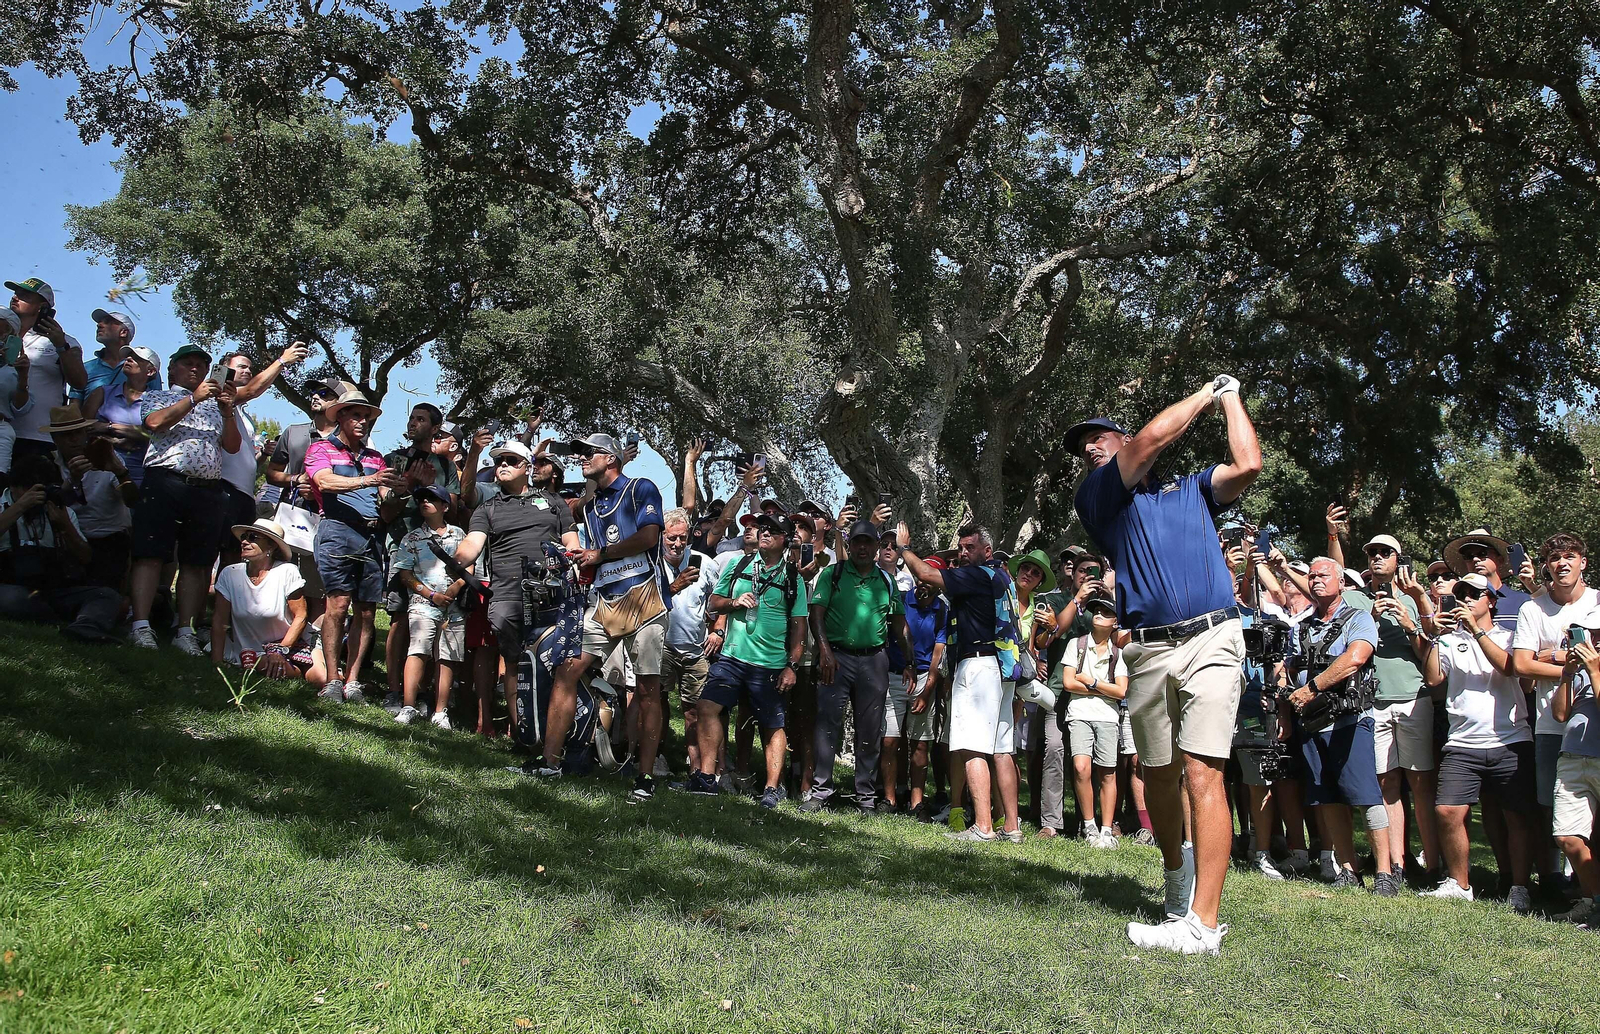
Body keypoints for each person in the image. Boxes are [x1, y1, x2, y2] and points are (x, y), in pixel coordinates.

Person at [1067, 374, 1260, 955]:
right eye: (1086, 449)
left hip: (1213, 638)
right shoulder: (1099, 496)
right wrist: (1205, 391)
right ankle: (1176, 873)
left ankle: (1202, 922)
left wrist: (1230, 397)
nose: (1094, 450)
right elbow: (1150, 439)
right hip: (1148, 648)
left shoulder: (1193, 489)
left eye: (1101, 440)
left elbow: (1247, 464)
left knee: (1204, 772)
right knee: (1159, 774)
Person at [899, 524, 1024, 844]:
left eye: (970, 547)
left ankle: (983, 826)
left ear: (987, 550)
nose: (963, 553)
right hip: (1001, 669)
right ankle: (1012, 827)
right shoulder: (1002, 577)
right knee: (1001, 749)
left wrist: (903, 549)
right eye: (961, 548)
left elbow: (927, 574)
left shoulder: (979, 575)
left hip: (978, 666)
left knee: (971, 746)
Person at [1415, 573, 1534, 910]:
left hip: (1510, 740)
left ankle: (1520, 886)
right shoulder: (1451, 639)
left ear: (1491, 601)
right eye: (1461, 593)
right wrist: (1435, 636)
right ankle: (1459, 883)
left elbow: (1510, 669)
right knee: (1448, 811)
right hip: (1463, 743)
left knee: (1516, 817)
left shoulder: (1510, 637)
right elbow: (1434, 678)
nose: (1465, 599)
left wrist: (1477, 631)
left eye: (1474, 594)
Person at [454, 439, 582, 747]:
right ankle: (524, 735)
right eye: (499, 461)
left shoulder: (554, 502)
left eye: (511, 460)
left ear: (527, 467)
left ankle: (554, 738)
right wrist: (458, 561)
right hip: (508, 596)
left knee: (554, 664)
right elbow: (472, 544)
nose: (502, 465)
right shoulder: (488, 508)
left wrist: (574, 566)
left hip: (552, 594)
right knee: (514, 663)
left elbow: (572, 543)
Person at [567, 433, 670, 802]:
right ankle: (551, 758)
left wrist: (600, 554)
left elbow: (647, 538)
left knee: (646, 689)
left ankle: (645, 776)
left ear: (610, 459)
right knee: (570, 669)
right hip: (605, 599)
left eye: (588, 453)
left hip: (646, 598)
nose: (581, 459)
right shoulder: (592, 504)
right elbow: (572, 512)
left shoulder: (641, 487)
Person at [1282, 559, 1395, 894]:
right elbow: (1288, 672)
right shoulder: (1303, 625)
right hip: (1312, 724)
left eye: (1323, 575)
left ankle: (1386, 874)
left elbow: (1356, 657)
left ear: (1341, 582)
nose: (1315, 580)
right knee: (1327, 798)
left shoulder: (1358, 619)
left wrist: (1313, 688)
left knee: (1366, 797)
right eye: (1312, 576)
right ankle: (1348, 870)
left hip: (1349, 721)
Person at [127, 343, 241, 654]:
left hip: (207, 489)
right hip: (165, 481)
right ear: (172, 369)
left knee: (197, 562)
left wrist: (228, 411)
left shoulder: (219, 405)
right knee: (149, 554)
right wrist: (193, 399)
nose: (195, 368)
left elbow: (232, 446)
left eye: (201, 364)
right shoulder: (158, 395)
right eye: (187, 363)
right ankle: (140, 624)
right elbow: (153, 423)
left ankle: (185, 631)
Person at [691, 511, 808, 808]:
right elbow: (714, 602)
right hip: (732, 656)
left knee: (772, 725)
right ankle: (706, 777)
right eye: (762, 529)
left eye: (773, 531)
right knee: (707, 707)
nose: (764, 533)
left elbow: (799, 628)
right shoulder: (738, 563)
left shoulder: (793, 578)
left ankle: (771, 789)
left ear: (785, 540)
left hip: (770, 663)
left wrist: (791, 666)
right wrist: (733, 603)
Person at [1349, 533, 1442, 884]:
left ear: (1398, 559)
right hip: (1375, 701)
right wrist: (1370, 618)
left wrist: (1409, 624)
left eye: (1384, 553)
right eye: (1371, 552)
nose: (1377, 558)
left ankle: (1433, 866)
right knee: (1386, 783)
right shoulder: (1356, 598)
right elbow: (1351, 645)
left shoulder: (1415, 599)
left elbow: (1428, 654)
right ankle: (1397, 864)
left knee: (1421, 784)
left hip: (1412, 697)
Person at [1511, 532, 1600, 899]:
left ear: (1583, 562)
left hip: (1593, 719)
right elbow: (1519, 664)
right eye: (1555, 558)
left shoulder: (1598, 603)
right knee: (1557, 813)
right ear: (1546, 566)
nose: (1562, 563)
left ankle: (1587, 893)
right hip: (1553, 720)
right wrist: (1567, 661)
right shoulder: (1534, 608)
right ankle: (1566, 886)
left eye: (1570, 556)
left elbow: (1534, 660)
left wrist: (1547, 655)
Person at [805, 518, 912, 815]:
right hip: (836, 658)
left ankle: (865, 796)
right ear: (849, 545)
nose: (863, 548)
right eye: (857, 542)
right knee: (827, 724)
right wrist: (824, 652)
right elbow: (816, 615)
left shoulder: (887, 581)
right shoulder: (832, 574)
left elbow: (899, 625)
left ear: (877, 547)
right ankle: (821, 790)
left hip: (874, 660)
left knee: (870, 728)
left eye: (868, 542)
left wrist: (910, 661)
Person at [305, 387, 400, 702]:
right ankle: (333, 680)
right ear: (341, 416)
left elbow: (386, 505)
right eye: (356, 415)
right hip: (337, 529)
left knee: (367, 611)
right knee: (338, 605)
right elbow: (324, 482)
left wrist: (403, 489)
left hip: (372, 535)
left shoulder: (376, 458)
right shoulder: (321, 448)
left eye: (366, 417)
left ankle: (354, 681)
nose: (362, 421)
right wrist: (368, 481)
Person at [379, 402, 460, 710]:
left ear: (435, 428)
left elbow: (453, 507)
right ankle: (393, 689)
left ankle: (423, 691)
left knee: (434, 620)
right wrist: (408, 487)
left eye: (421, 419)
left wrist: (429, 486)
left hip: (438, 555)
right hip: (402, 546)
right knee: (400, 618)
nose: (413, 423)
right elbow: (386, 512)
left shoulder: (445, 466)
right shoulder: (394, 460)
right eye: (411, 418)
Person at [0, 453, 121, 641]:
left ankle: (86, 626)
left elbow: (86, 558)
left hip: (51, 589)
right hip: (10, 586)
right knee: (13, 599)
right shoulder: (2, 507)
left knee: (105, 595)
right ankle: (57, 617)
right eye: (29, 489)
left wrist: (65, 526)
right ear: (14, 486)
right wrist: (20, 507)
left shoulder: (59, 511)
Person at [1055, 592, 1128, 848]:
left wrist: (1093, 681)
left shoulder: (1118, 653)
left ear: (1115, 622)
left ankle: (1106, 829)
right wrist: (1103, 688)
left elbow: (1122, 691)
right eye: (1096, 610)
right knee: (1081, 768)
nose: (1098, 614)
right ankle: (1089, 825)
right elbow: (1068, 683)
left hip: (1108, 718)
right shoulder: (1076, 644)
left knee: (1108, 772)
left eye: (1106, 612)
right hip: (1078, 715)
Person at [390, 484, 467, 728]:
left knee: (447, 657)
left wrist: (455, 588)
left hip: (454, 608)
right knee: (418, 651)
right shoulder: (412, 537)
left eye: (432, 499)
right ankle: (409, 706)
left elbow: (470, 568)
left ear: (445, 507)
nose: (425, 502)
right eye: (422, 498)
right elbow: (404, 573)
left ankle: (440, 711)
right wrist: (430, 594)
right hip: (422, 604)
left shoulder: (460, 536)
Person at [46, 403, 137, 589]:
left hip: (110, 538)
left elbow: (133, 500)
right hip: (70, 538)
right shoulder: (49, 463)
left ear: (85, 434)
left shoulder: (105, 456)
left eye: (77, 433)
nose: (73, 440)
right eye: (66, 435)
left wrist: (121, 472)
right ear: (54, 439)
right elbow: (54, 506)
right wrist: (72, 479)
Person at [211, 519, 313, 682]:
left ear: (271, 546)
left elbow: (301, 616)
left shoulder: (287, 571)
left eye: (253, 537)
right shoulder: (230, 574)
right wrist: (216, 662)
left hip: (291, 644)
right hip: (249, 650)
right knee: (263, 664)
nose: (244, 541)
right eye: (244, 537)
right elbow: (219, 620)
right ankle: (258, 662)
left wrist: (280, 650)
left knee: (319, 679)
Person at [661, 507, 718, 775]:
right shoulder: (651, 563)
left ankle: (696, 767)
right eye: (671, 538)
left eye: (682, 538)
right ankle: (657, 756)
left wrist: (717, 629)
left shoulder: (704, 563)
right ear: (661, 535)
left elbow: (719, 601)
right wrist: (673, 587)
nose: (677, 544)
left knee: (693, 710)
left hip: (695, 649)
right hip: (661, 645)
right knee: (655, 703)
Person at [5, 277, 86, 463]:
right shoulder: (3, 335)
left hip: (37, 436)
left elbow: (79, 382)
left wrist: (60, 346)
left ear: (42, 306)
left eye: (25, 295)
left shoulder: (66, 341)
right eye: (16, 293)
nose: (15, 297)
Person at [1552, 634, 1600, 926]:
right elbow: (1559, 714)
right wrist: (1569, 673)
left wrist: (1594, 670)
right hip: (1572, 758)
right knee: (1567, 836)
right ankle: (1594, 902)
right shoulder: (1582, 670)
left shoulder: (1593, 668)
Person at [899, 558, 949, 819]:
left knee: (920, 743)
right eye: (920, 579)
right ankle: (889, 793)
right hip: (896, 673)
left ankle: (916, 800)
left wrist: (928, 690)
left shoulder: (942, 610)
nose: (922, 584)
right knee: (891, 739)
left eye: (929, 580)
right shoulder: (902, 599)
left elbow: (938, 655)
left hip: (924, 677)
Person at [94, 345, 159, 487]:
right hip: (99, 474)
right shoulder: (102, 393)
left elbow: (158, 436)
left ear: (151, 371)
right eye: (129, 356)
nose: (129, 359)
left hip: (139, 476)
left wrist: (108, 427)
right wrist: (116, 438)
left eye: (137, 358)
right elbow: (83, 427)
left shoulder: (158, 401)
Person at [1446, 528, 1532, 632]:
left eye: (1482, 553)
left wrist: (1533, 586)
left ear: (1500, 559)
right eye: (1469, 556)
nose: (1475, 559)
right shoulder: (1458, 602)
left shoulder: (1524, 601)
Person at [76, 309, 151, 418]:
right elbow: (75, 407)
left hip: (133, 434)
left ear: (123, 332)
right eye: (100, 322)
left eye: (108, 322)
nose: (99, 325)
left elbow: (155, 407)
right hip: (89, 433)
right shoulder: (85, 368)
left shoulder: (145, 369)